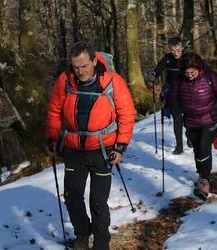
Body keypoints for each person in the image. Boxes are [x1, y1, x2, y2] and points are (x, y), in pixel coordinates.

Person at [45, 40, 135, 250]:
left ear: (94, 61)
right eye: (76, 67)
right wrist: (52, 137)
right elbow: (54, 110)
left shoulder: (113, 81)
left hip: (103, 150)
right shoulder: (65, 81)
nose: (80, 71)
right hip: (74, 149)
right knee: (72, 196)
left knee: (97, 200)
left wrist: (121, 146)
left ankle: (102, 241)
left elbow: (127, 114)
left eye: (84, 66)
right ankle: (82, 234)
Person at [168, 52, 217, 200]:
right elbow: (173, 100)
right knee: (197, 149)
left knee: (203, 147)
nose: (189, 75)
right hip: (191, 121)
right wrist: (168, 101)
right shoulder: (178, 81)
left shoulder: (210, 76)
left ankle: (204, 181)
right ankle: (201, 173)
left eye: (192, 72)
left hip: (211, 118)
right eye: (186, 72)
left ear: (198, 68)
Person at [147, 36, 190, 155]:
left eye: (178, 50)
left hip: (187, 92)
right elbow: (158, 69)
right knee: (177, 120)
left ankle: (189, 135)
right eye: (173, 50)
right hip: (173, 93)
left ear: (182, 48)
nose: (176, 53)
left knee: (189, 118)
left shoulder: (187, 58)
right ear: (169, 49)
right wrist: (152, 77)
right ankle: (179, 146)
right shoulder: (167, 59)